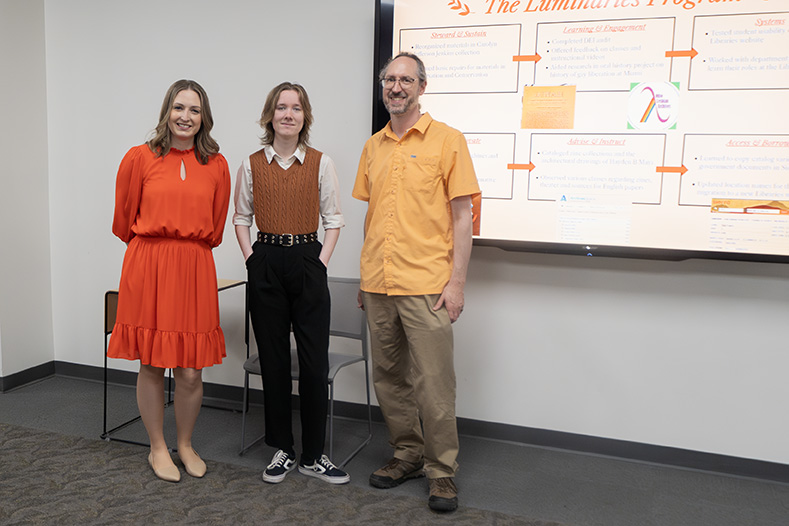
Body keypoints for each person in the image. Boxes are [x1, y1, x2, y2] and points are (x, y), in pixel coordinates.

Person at [353, 52, 480, 512]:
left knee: (434, 383)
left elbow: (463, 218)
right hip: (379, 282)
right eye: (390, 79)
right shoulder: (374, 146)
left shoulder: (448, 141)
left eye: (406, 79)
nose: (396, 87)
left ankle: (441, 472)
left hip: (427, 284)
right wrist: (365, 278)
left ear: (422, 86)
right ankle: (406, 453)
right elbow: (372, 217)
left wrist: (457, 284)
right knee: (389, 378)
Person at [109, 79, 231, 483]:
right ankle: (157, 448)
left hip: (195, 266)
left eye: (194, 110)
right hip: (149, 265)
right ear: (167, 111)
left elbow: (215, 229)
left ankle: (185, 444)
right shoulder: (138, 158)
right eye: (179, 108)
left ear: (204, 118)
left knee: (191, 370)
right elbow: (123, 221)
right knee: (151, 362)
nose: (186, 116)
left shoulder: (217, 165)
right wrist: (157, 248)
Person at [233, 82, 349, 485]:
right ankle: (282, 448)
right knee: (275, 360)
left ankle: (314, 455)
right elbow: (241, 217)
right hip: (265, 261)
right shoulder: (250, 164)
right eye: (281, 107)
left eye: (296, 108)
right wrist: (252, 259)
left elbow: (334, 219)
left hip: (306, 260)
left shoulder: (321, 162)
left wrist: (319, 262)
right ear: (270, 116)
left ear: (305, 117)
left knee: (314, 363)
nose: (288, 114)